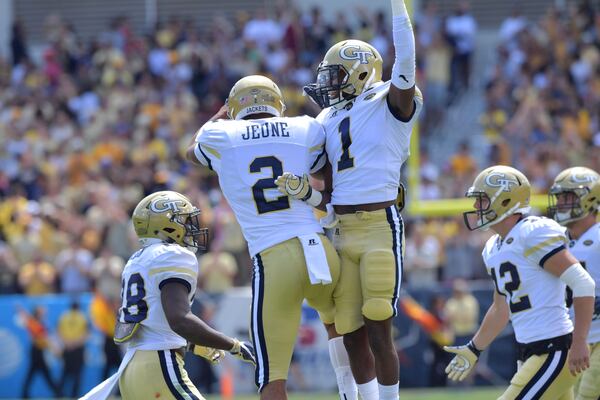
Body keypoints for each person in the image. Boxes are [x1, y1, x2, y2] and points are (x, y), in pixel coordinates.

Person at [278, 0, 422, 398]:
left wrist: (397, 6)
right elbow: (325, 181)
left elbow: (406, 54)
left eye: (336, 74)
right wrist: (305, 189)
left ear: (362, 71)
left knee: (379, 326)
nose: (328, 82)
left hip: (378, 226)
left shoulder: (389, 102)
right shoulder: (327, 118)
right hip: (339, 227)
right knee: (350, 333)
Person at [186, 75, 343, 400]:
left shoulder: (220, 133)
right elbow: (323, 175)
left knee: (272, 377)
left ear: (234, 108)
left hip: (274, 258)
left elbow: (192, 152)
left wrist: (218, 116)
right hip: (319, 247)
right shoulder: (304, 126)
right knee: (343, 334)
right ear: (276, 103)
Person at [81, 191, 255, 400]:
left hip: (132, 369)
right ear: (165, 224)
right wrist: (234, 345)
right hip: (159, 366)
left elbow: (155, 321)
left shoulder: (136, 259)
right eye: (184, 220)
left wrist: (193, 344)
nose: (190, 227)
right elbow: (179, 320)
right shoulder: (172, 255)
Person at [444, 165, 595, 399]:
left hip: (554, 348)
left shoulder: (532, 233)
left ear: (504, 201)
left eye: (482, 200)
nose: (475, 207)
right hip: (528, 351)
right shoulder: (493, 248)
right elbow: (500, 307)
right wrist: (474, 349)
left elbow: (584, 283)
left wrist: (580, 341)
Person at [548, 166, 600, 400]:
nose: (561, 203)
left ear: (590, 199)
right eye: (559, 197)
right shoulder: (557, 240)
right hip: (574, 340)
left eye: (568, 197)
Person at [19, 305, 61, 398]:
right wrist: (53, 348)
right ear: (37, 313)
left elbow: (46, 337)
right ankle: (58, 392)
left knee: (35, 374)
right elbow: (42, 337)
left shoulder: (40, 322)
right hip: (36, 351)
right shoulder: (34, 323)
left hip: (39, 350)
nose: (44, 312)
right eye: (41, 311)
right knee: (43, 373)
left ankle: (25, 394)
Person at [57, 300, 88, 397]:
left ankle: (59, 394)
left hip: (67, 348)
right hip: (78, 349)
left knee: (65, 374)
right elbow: (86, 334)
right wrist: (75, 343)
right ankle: (74, 396)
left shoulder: (64, 317)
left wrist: (67, 343)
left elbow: (59, 332)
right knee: (77, 375)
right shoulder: (82, 317)